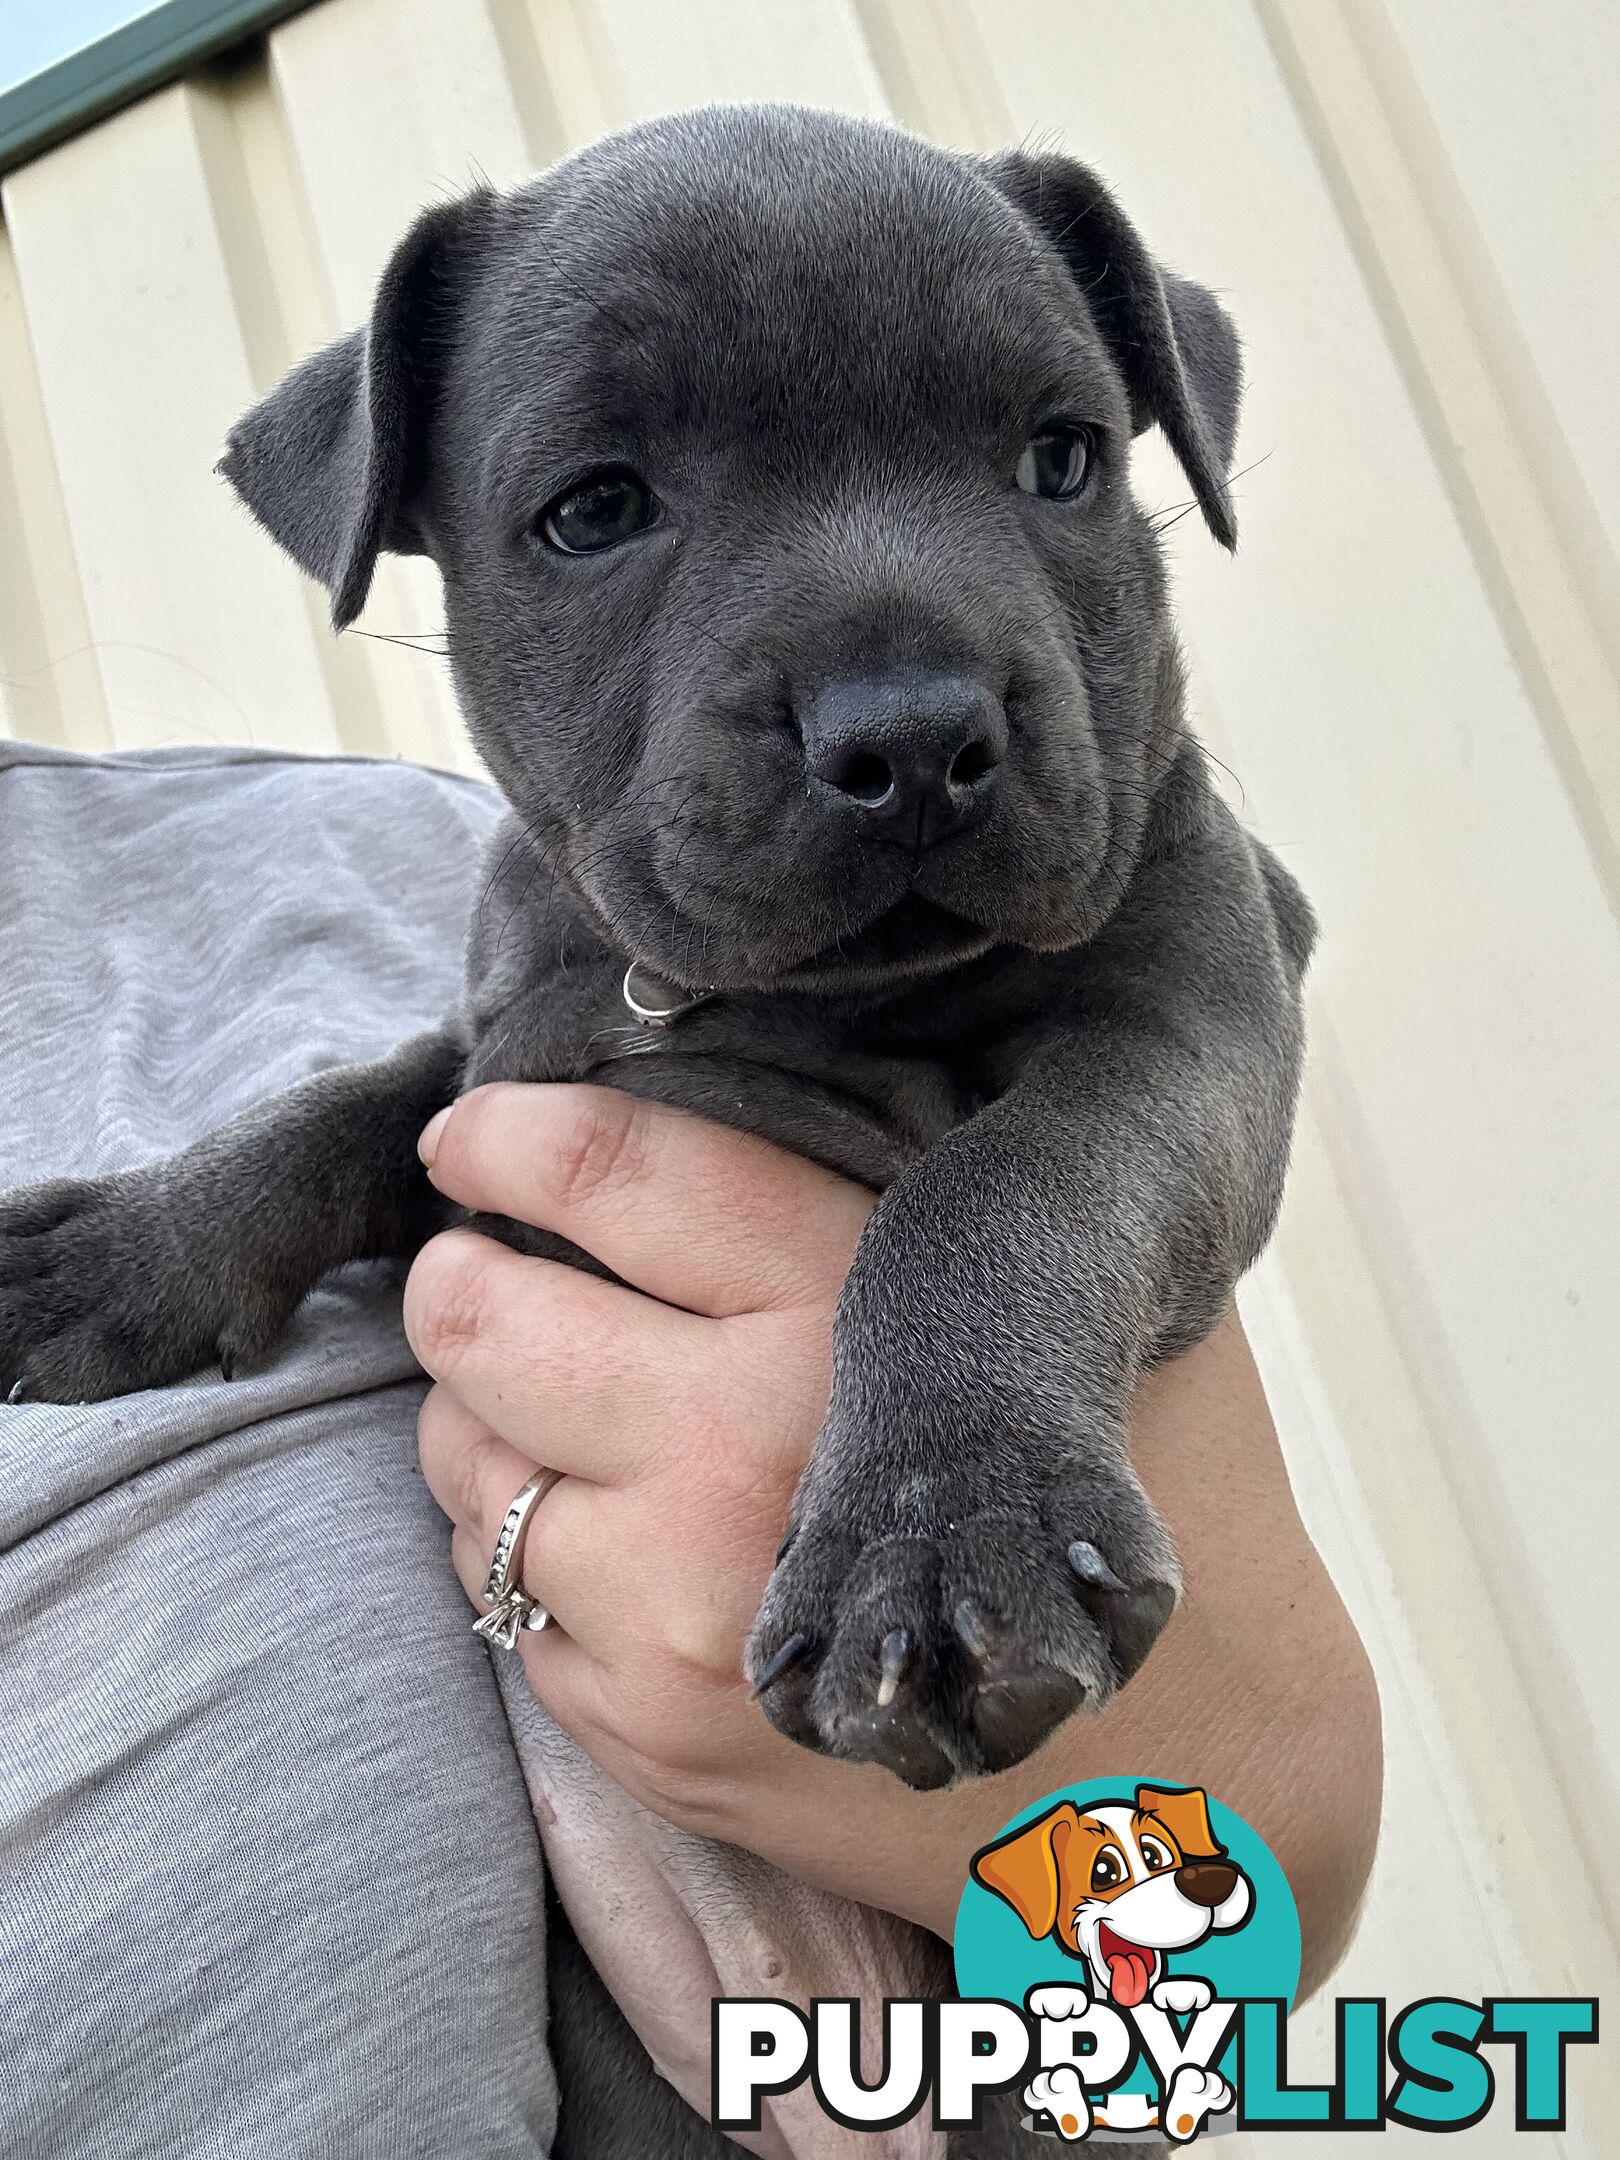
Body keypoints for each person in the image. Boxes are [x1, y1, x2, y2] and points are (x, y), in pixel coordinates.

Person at [0, 744, 1379, 2156]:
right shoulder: (583, 843)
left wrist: (1211, 1774)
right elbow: (480, 1116)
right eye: (603, 507)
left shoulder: (376, 842)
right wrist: (219, 1227)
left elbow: (1250, 1906)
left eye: (1052, 496)